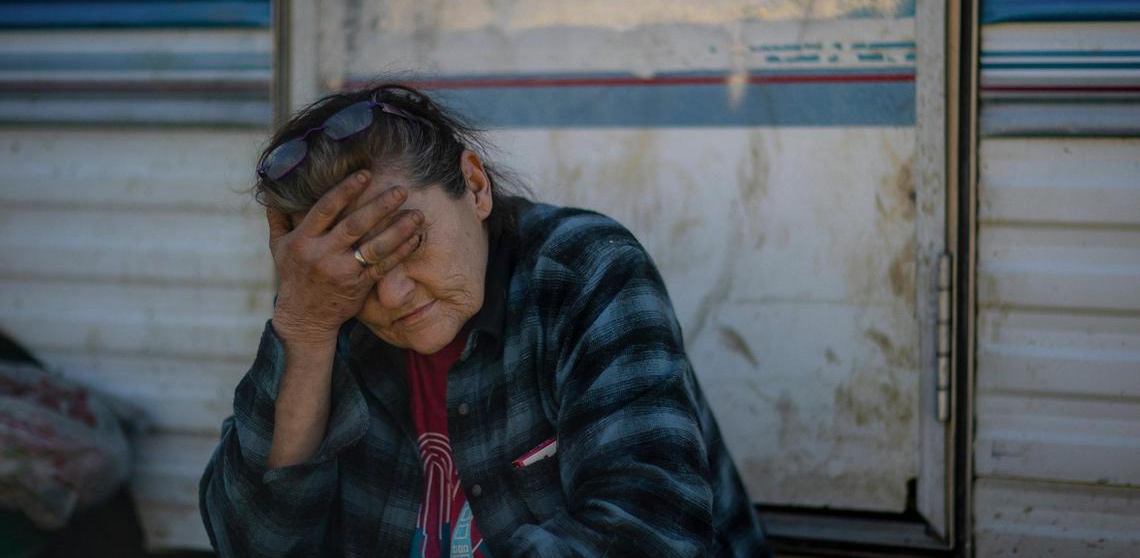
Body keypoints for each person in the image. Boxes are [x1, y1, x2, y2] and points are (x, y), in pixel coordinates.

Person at [198, 83, 773, 558]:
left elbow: (650, 534)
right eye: (361, 268)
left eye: (411, 242)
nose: (393, 294)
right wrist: (304, 330)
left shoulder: (581, 271)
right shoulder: (332, 309)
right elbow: (251, 544)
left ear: (474, 186)